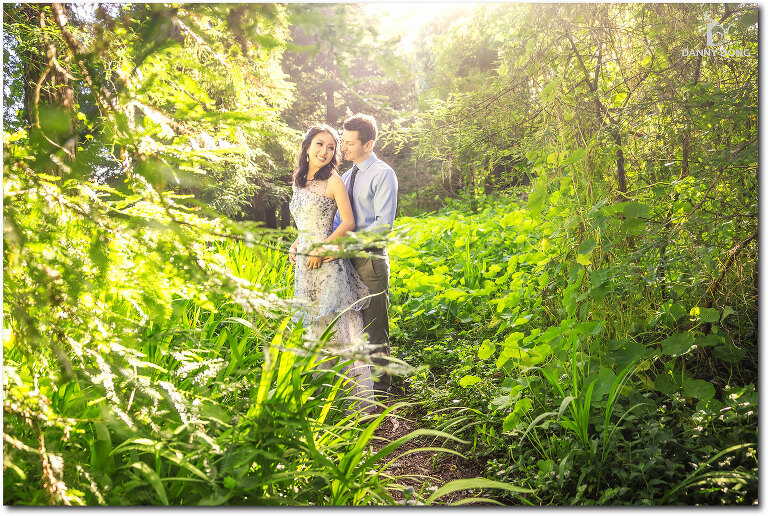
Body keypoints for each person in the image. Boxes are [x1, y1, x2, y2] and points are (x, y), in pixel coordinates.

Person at [288, 124, 374, 411]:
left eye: (331, 147)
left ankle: (354, 402)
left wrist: (320, 248)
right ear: (307, 146)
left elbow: (347, 224)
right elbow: (305, 222)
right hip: (304, 264)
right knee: (314, 324)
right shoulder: (299, 181)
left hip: (326, 262)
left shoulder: (334, 181)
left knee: (338, 327)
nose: (325, 151)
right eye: (319, 145)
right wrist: (297, 243)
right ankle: (325, 397)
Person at [332, 114, 398, 398]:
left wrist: (349, 244)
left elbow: (383, 224)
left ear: (368, 144)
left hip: (369, 259)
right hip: (345, 260)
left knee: (374, 323)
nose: (342, 148)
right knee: (353, 323)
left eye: (348, 143)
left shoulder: (382, 173)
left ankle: (382, 388)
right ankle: (362, 385)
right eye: (342, 141)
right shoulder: (347, 175)